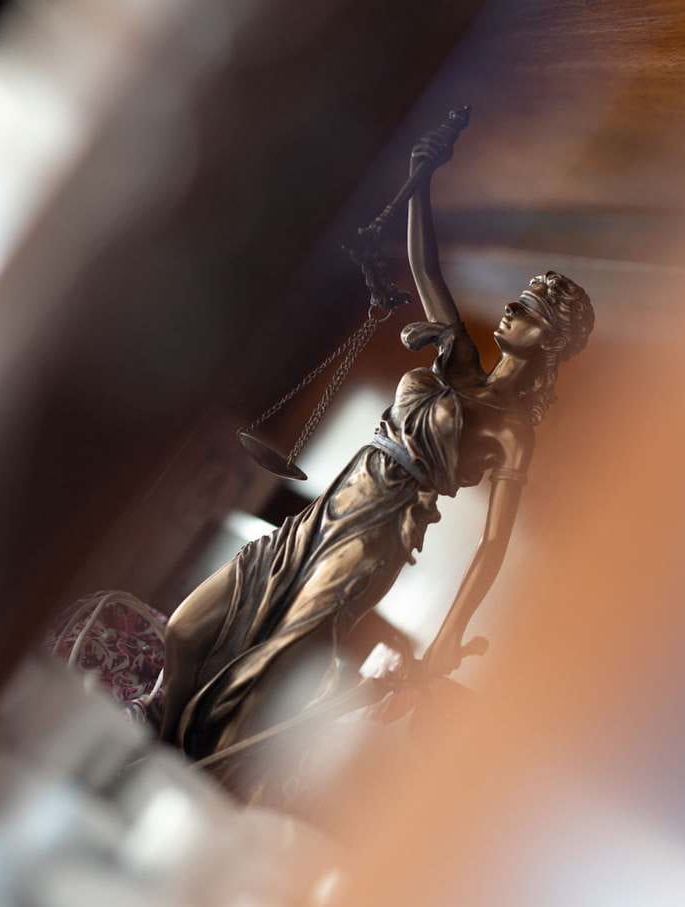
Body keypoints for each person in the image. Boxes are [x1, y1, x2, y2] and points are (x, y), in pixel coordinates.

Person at [160, 127, 595, 762]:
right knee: (184, 632)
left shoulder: (511, 433)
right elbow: (425, 267)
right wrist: (422, 179)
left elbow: (494, 543)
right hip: (319, 520)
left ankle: (182, 767)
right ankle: (157, 733)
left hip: (373, 542)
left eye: (529, 311)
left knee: (255, 681)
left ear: (550, 342)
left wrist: (448, 635)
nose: (511, 310)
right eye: (517, 300)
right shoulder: (459, 360)